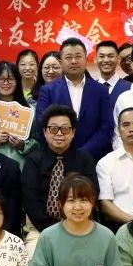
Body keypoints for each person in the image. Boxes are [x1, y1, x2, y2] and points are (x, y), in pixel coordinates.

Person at [22, 105, 99, 252]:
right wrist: (51, 231)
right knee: (33, 255)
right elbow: (30, 200)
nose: (59, 133)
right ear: (45, 132)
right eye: (53, 129)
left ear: (73, 132)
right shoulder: (34, 160)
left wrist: (71, 227)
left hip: (79, 225)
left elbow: (92, 194)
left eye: (64, 129)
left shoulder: (84, 159)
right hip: (40, 229)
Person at [34, 38, 116, 161]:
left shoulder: (101, 90)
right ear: (61, 61)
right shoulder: (48, 90)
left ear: (86, 59)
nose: (73, 61)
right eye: (68, 57)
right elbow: (42, 125)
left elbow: (106, 127)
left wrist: (84, 153)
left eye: (78, 56)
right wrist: (61, 150)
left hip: (92, 159)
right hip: (57, 158)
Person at [0, 60, 39, 166]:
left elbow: (37, 141)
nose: (6, 83)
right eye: (1, 79)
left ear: (17, 81)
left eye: (10, 79)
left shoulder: (29, 111)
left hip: (20, 166)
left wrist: (23, 145)